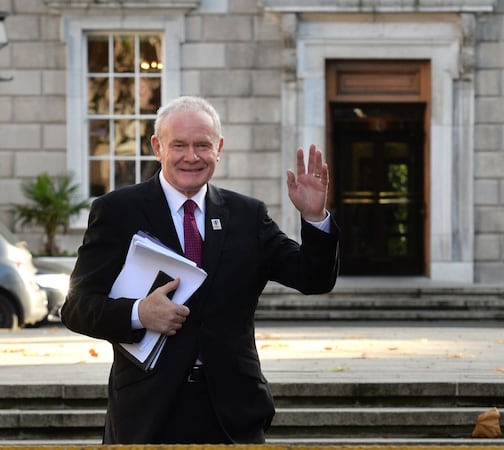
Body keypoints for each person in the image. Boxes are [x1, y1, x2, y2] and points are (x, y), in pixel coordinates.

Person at [60, 95, 340, 444]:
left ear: (219, 148)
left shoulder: (247, 215)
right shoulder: (118, 211)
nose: (191, 157)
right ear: (157, 147)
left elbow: (313, 279)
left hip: (233, 414)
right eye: (179, 145)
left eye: (202, 145)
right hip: (147, 414)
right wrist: (138, 313)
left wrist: (314, 219)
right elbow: (76, 308)